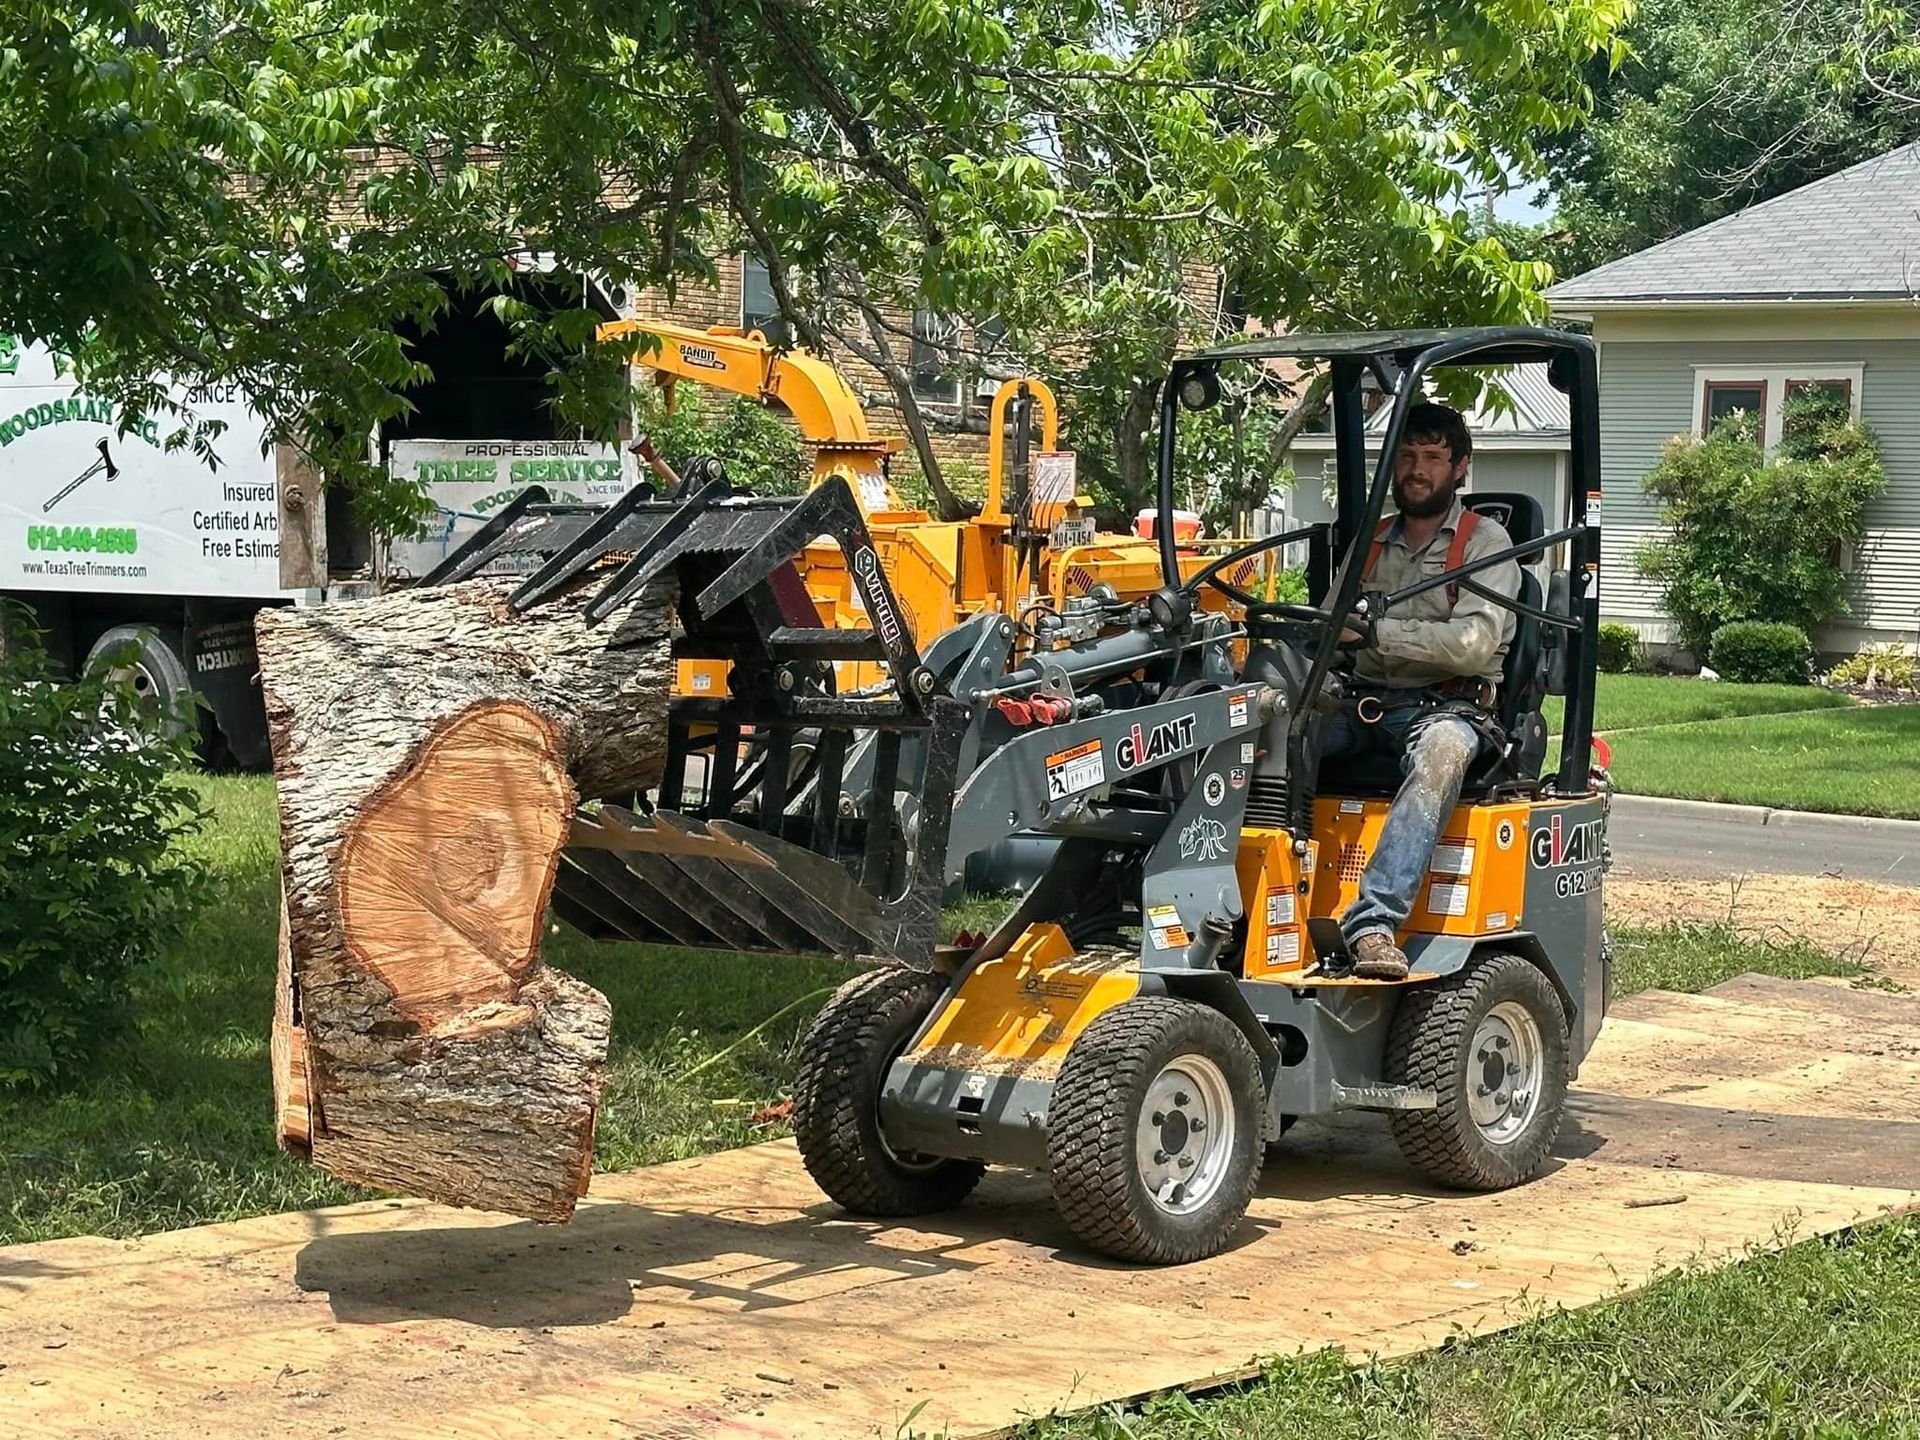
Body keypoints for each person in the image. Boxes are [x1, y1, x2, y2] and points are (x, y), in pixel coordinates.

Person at [1324, 401, 1520, 981]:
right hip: (1361, 701)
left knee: (1441, 755)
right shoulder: (1373, 539)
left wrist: (1381, 633)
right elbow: (1331, 626)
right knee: (1267, 735)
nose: (1417, 469)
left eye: (1432, 458)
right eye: (1407, 456)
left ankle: (1374, 924)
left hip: (1447, 708)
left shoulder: (1487, 543)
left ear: (1460, 468)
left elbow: (1473, 645)